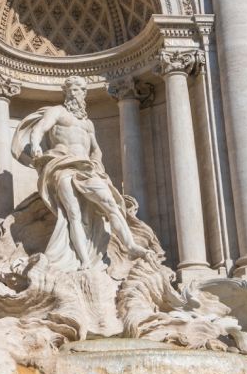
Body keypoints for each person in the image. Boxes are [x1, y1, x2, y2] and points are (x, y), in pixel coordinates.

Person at [11, 76, 149, 270]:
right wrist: (35, 146)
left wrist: (97, 163)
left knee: (111, 203)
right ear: (67, 93)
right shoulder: (57, 112)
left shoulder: (87, 124)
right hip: (62, 165)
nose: (78, 94)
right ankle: (84, 261)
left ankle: (130, 245)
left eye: (81, 90)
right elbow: (39, 130)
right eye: (74, 90)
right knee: (73, 214)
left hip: (86, 168)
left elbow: (96, 149)